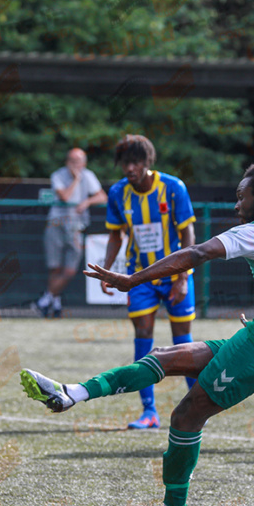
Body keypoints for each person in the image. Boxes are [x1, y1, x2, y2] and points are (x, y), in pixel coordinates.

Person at [20, 160, 254, 506]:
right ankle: (70, 395)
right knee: (166, 355)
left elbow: (195, 253)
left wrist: (133, 279)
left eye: (241, 195)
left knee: (185, 416)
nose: (236, 204)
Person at [101, 134, 196, 429]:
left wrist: (182, 278)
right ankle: (149, 411)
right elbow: (116, 235)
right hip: (139, 277)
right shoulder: (118, 193)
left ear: (147, 162)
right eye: (125, 163)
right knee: (143, 335)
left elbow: (188, 235)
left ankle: (199, 403)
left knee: (184, 341)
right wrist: (107, 271)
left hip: (176, 275)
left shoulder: (173, 187)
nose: (130, 168)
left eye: (136, 162)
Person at [33, 148, 106, 318]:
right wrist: (76, 179)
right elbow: (65, 197)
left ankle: (45, 300)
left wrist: (87, 202)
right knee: (55, 268)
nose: (75, 165)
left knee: (70, 270)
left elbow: (102, 197)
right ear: (67, 162)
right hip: (56, 224)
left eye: (78, 162)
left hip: (76, 226)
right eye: (72, 161)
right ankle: (54, 304)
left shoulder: (89, 175)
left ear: (84, 163)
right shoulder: (58, 175)